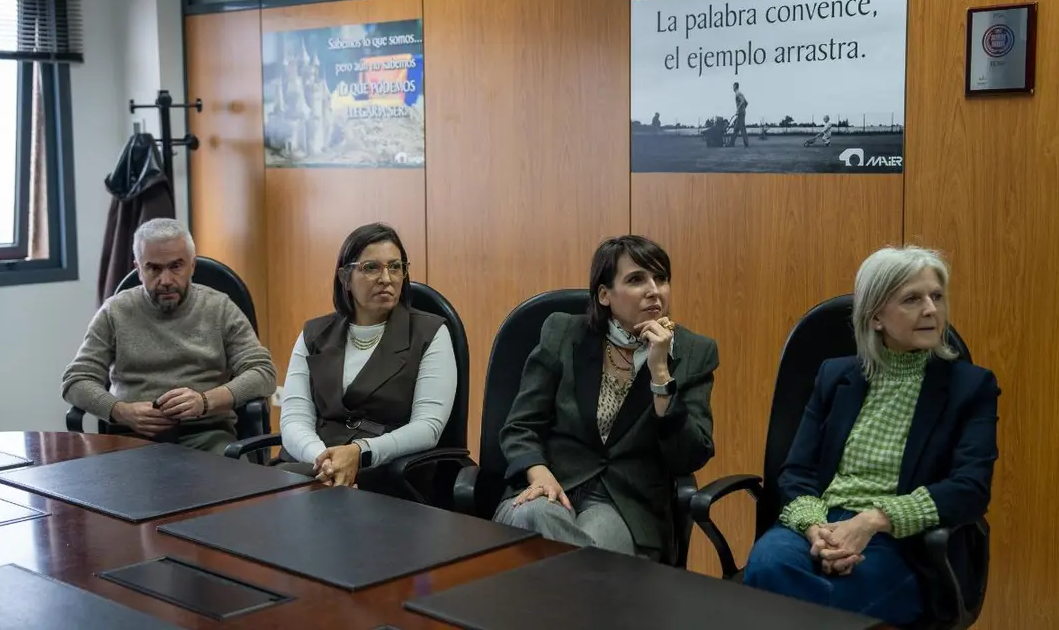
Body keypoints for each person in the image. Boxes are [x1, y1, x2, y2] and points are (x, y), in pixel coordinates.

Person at [743, 246, 1000, 627]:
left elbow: (970, 487)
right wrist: (817, 530)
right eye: (912, 299)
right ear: (875, 316)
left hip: (903, 541)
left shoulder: (971, 387)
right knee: (767, 567)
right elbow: (798, 470)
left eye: (937, 296)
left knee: (820, 603)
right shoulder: (835, 376)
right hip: (823, 522)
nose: (931, 309)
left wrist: (873, 520)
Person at [493, 235, 718, 563]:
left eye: (661, 279)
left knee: (584, 553)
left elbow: (690, 456)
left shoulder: (694, 352)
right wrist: (537, 472)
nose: (654, 290)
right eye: (636, 279)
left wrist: (660, 375)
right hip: (552, 483)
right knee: (533, 517)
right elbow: (520, 426)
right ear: (604, 295)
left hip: (626, 506)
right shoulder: (563, 333)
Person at [62, 218, 276, 453]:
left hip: (206, 435)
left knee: (227, 474)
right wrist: (122, 411)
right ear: (138, 269)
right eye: (153, 268)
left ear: (192, 266)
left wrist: (205, 401)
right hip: (131, 437)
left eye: (176, 266)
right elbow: (76, 380)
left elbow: (263, 372)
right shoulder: (115, 312)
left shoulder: (220, 309)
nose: (165, 281)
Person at [278, 222, 457, 492]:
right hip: (313, 465)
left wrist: (359, 452)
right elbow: (294, 418)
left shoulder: (430, 333)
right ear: (344, 278)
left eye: (395, 267)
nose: (386, 278)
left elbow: (427, 427)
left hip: (386, 470)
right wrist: (325, 461)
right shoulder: (314, 334)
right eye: (371, 267)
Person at [728, 82, 749, 147]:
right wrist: (743, 109)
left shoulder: (737, 93)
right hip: (741, 113)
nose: (732, 88)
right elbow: (746, 103)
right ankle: (731, 143)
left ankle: (746, 144)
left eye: (733, 86)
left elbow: (742, 101)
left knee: (742, 128)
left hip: (740, 113)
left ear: (735, 86)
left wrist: (738, 110)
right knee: (736, 129)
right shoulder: (740, 93)